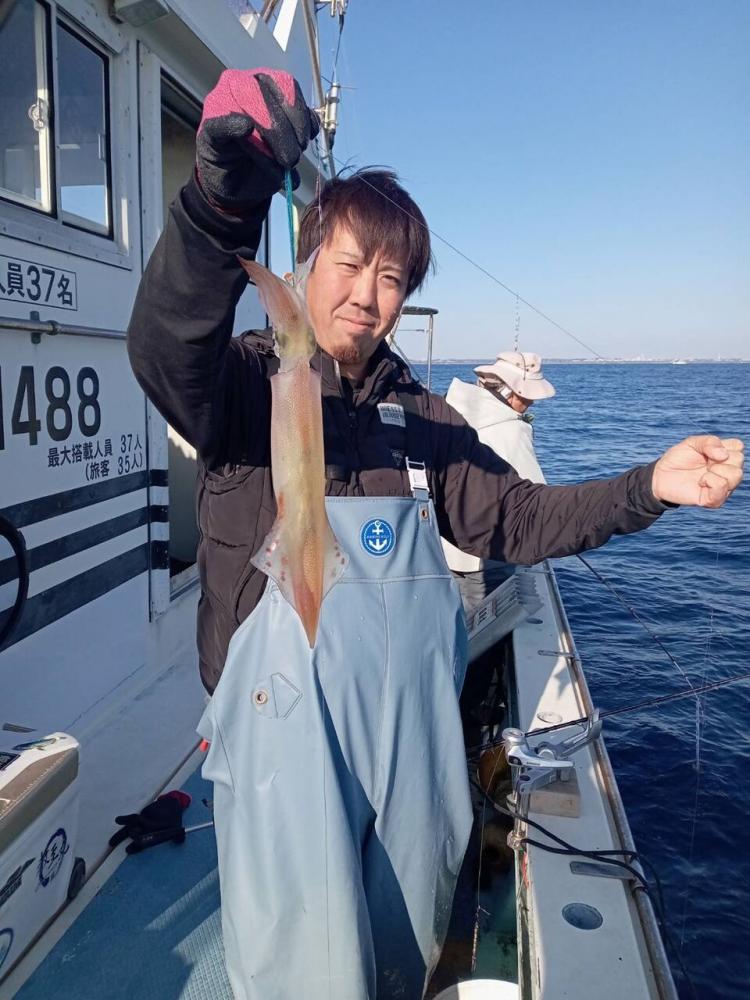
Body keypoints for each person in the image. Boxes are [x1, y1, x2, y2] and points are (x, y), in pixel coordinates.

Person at [126, 68, 744, 1000]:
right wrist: (220, 206)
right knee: (298, 964)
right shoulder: (244, 385)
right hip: (281, 747)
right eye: (348, 265)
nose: (366, 295)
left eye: (391, 279)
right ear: (305, 262)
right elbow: (167, 342)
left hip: (411, 751)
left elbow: (523, 518)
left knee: (399, 946)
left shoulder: (423, 419)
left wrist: (646, 487)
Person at [442, 351, 555, 616]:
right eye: (527, 395)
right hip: (487, 555)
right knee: (480, 625)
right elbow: (535, 500)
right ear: (509, 391)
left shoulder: (449, 410)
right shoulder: (511, 429)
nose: (531, 403)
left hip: (444, 548)